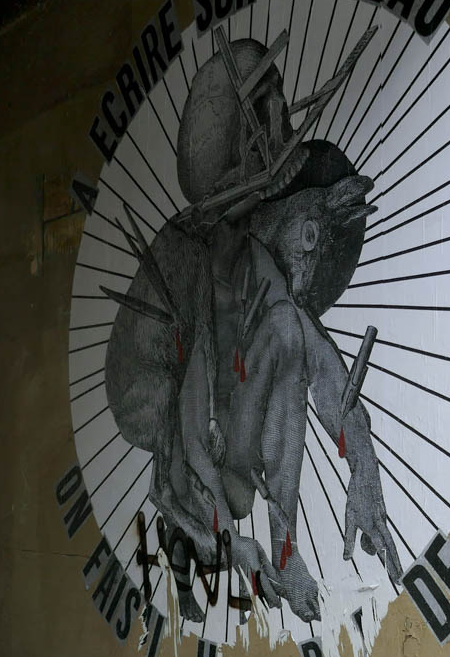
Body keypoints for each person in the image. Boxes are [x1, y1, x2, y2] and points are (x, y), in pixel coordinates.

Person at [103, 31, 399, 624]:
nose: (281, 121)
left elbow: (312, 353)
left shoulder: (250, 257)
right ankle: (225, 542)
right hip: (169, 421)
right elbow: (186, 419)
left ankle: (283, 545)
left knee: (287, 330)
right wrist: (233, 541)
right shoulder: (191, 256)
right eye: (268, 108)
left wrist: (363, 462)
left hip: (215, 440)